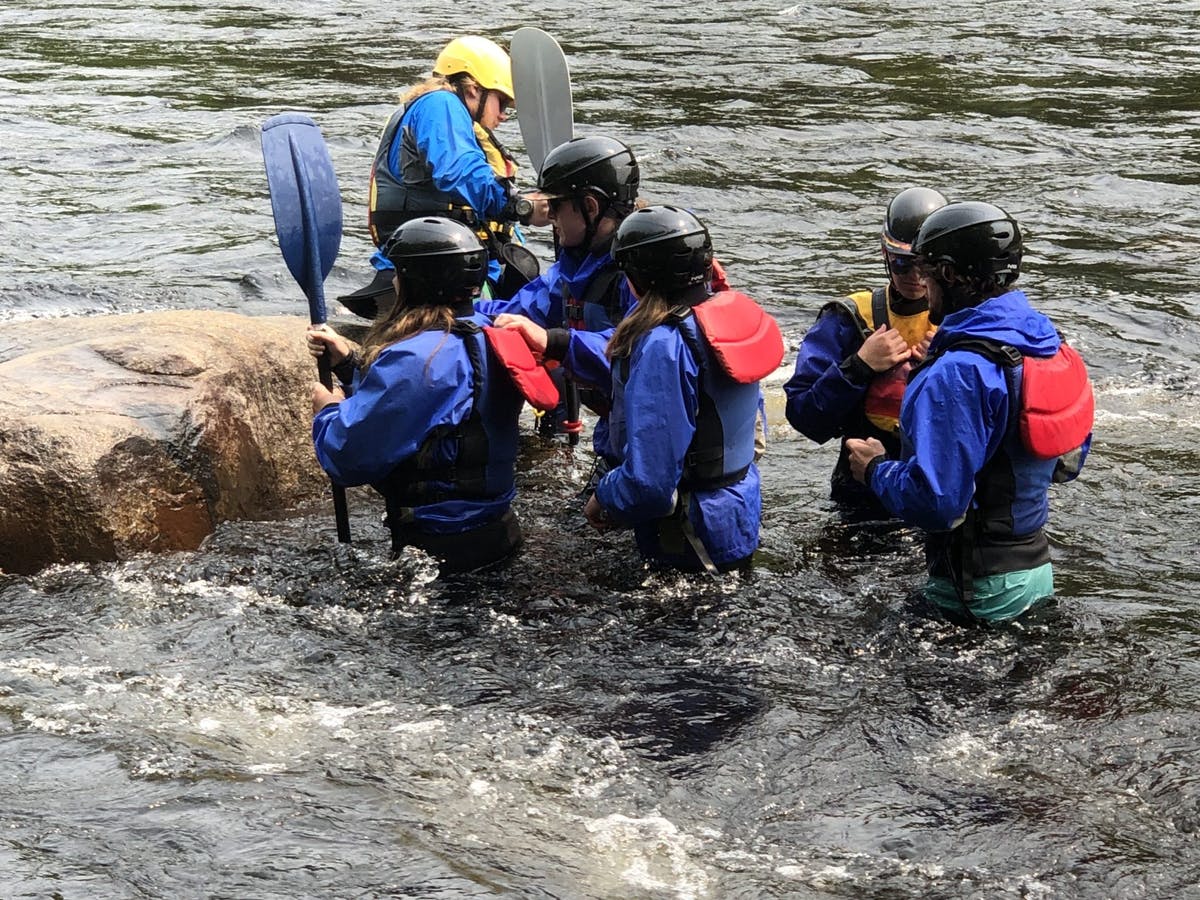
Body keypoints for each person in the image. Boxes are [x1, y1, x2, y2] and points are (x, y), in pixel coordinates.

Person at [845, 201, 1093, 622]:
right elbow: (1067, 462)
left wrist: (875, 470)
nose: (919, 283)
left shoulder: (957, 372)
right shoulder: (1048, 343)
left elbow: (938, 504)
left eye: (924, 270)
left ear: (949, 273)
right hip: (1035, 572)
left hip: (974, 587)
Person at [308, 217, 532, 575]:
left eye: (397, 273)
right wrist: (349, 365)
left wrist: (328, 412)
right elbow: (434, 404)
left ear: (416, 282)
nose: (392, 282)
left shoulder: (417, 358)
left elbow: (348, 456)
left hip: (442, 553)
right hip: (499, 535)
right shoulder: (488, 334)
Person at [581, 206, 784, 573]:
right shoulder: (727, 322)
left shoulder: (663, 345)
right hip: (737, 513)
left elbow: (651, 483)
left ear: (636, 279)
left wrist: (604, 496)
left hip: (687, 531)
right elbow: (754, 437)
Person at [339, 35, 541, 319]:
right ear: (473, 89)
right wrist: (520, 206)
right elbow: (458, 172)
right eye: (502, 102)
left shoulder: (444, 111)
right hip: (437, 275)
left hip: (451, 267)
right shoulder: (441, 105)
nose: (505, 115)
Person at [478, 134, 642, 462]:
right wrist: (447, 311)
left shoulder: (644, 267)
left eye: (556, 206)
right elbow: (515, 311)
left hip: (675, 438)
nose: (549, 217)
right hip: (622, 425)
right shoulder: (574, 269)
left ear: (590, 207)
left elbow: (641, 354)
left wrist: (555, 341)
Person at [783, 187, 948, 511]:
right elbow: (804, 416)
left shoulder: (965, 322)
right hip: (861, 497)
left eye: (925, 266)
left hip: (938, 492)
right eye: (902, 264)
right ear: (886, 255)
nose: (914, 277)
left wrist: (945, 361)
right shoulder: (849, 319)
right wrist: (859, 366)